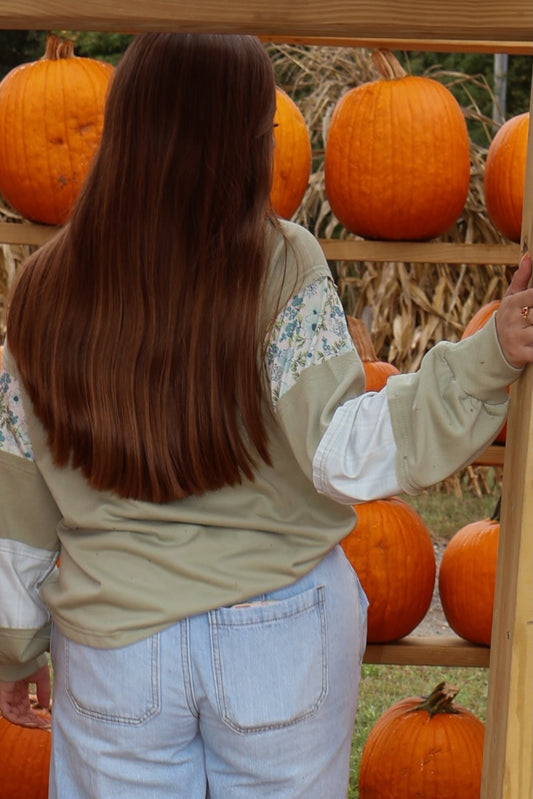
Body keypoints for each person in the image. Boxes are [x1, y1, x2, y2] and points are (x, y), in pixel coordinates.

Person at [0, 32, 531, 799]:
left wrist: (13, 651)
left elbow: (14, 503)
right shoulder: (283, 262)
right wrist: (485, 358)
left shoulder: (46, 289)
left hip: (116, 645)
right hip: (279, 633)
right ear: (242, 143)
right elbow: (347, 451)